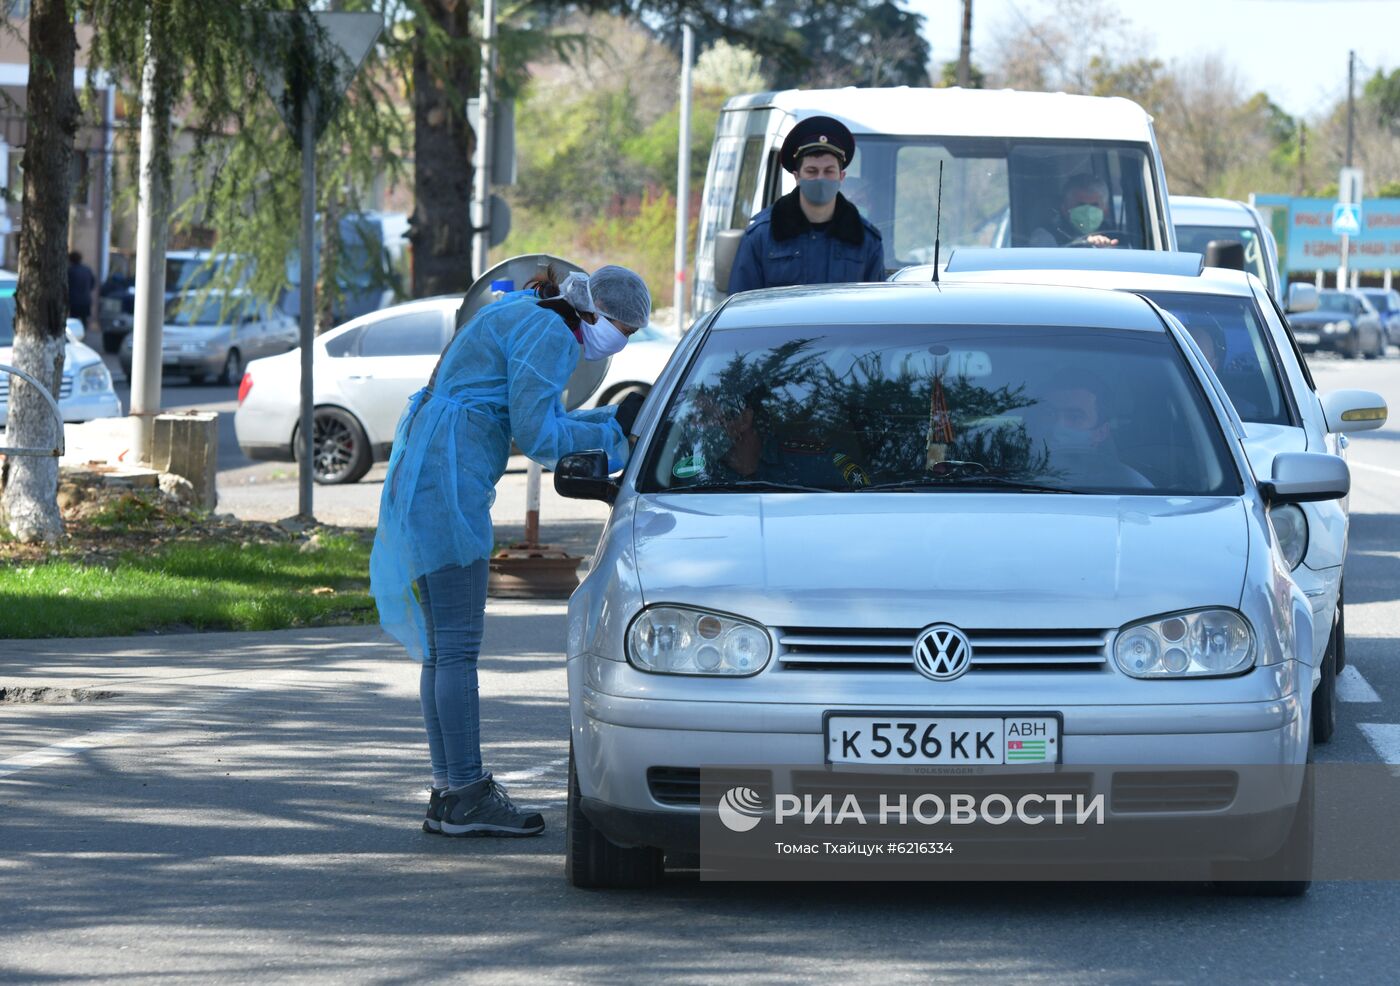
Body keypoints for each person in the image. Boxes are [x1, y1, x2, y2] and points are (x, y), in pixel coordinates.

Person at [370, 265, 651, 839]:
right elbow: (541, 435)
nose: (619, 343)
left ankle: (452, 792)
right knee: (456, 649)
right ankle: (466, 793)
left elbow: (532, 415)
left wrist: (602, 422)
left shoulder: (527, 310)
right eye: (623, 330)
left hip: (431, 470)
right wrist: (615, 435)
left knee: (444, 651)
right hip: (446, 484)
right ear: (596, 313)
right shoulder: (551, 334)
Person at [727, 116, 885, 293]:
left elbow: (875, 312)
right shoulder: (762, 236)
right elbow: (740, 310)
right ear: (797, 177)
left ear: (841, 177)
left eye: (829, 171)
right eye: (811, 171)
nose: (820, 178)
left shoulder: (865, 239)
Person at [1028, 174, 1120, 248]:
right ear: (1064, 208)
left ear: (1105, 210)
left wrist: (1109, 249)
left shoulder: (1115, 235)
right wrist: (1083, 245)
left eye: (1094, 205)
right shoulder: (1046, 236)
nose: (1088, 213)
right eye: (1081, 205)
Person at [67, 251, 95, 330]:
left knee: (73, 320)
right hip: (86, 299)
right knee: (84, 320)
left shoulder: (70, 271)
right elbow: (93, 284)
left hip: (74, 300)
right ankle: (84, 334)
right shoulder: (87, 269)